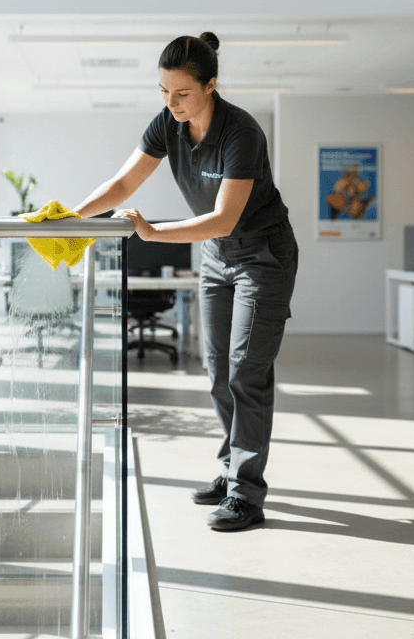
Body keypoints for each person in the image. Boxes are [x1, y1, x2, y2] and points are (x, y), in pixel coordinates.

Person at [73, 32, 298, 532]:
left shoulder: (242, 133)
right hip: (218, 258)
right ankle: (229, 468)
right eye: (164, 92)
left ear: (211, 85)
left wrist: (153, 233)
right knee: (217, 369)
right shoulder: (167, 125)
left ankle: (246, 494)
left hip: (263, 256)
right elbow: (123, 184)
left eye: (182, 94)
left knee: (246, 369)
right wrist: (69, 218)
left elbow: (223, 218)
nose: (172, 104)